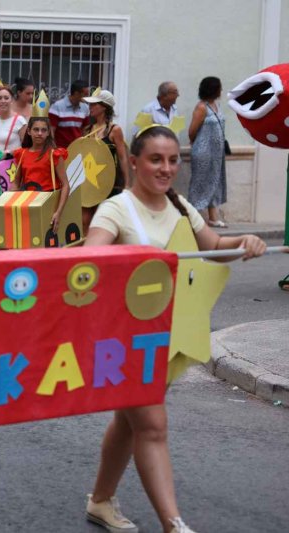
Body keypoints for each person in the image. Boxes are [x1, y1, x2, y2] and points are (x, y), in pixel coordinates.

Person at [84, 125, 266, 533]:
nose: (165, 168)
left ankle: (100, 500)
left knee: (128, 421)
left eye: (172, 160)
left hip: (168, 337)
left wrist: (245, 243)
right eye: (155, 159)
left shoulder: (180, 204)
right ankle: (174, 524)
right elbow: (93, 252)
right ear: (134, 162)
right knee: (151, 424)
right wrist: (105, 255)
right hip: (127, 339)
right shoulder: (117, 209)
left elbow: (213, 248)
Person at [12, 92, 71, 231]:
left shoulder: (55, 154)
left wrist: (58, 212)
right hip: (26, 205)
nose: (39, 133)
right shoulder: (22, 154)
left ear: (48, 132)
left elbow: (66, 185)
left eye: (43, 130)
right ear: (29, 131)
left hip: (48, 207)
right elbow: (16, 182)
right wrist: (10, 201)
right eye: (36, 129)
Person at [80, 89, 131, 232]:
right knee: (84, 220)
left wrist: (127, 184)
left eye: (93, 104)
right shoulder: (87, 130)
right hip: (89, 181)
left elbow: (122, 157)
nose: (90, 108)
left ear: (103, 107)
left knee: (103, 220)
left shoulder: (114, 130)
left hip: (109, 182)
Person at [188, 76, 228, 227]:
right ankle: (193, 215)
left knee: (215, 182)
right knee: (200, 182)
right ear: (213, 89)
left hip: (217, 153)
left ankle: (213, 217)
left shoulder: (217, 105)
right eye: (219, 87)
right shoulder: (201, 107)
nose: (221, 91)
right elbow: (192, 131)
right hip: (203, 152)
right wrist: (198, 143)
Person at [49, 80, 90, 148]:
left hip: (78, 149)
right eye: (85, 94)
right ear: (76, 93)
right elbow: (51, 131)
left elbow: (85, 130)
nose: (87, 97)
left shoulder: (85, 107)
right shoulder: (57, 106)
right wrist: (54, 148)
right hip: (60, 149)